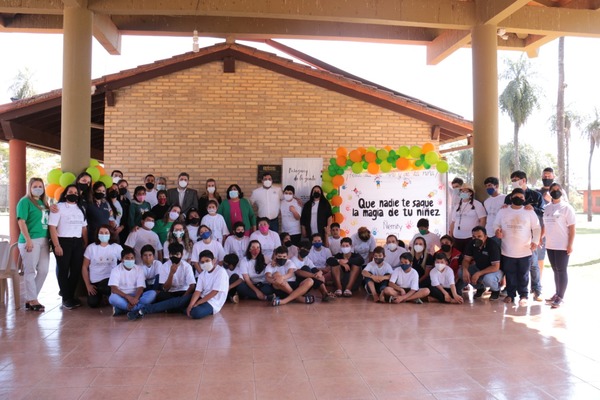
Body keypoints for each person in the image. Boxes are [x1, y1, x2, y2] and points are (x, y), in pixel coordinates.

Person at [495, 188, 541, 305]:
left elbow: (536, 228)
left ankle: (523, 296)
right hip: (507, 250)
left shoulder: (529, 211)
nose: (519, 199)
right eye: (516, 196)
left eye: (521, 197)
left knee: (523, 274)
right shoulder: (503, 211)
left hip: (525, 250)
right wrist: (497, 231)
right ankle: (510, 295)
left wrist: (535, 241)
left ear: (524, 199)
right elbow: (496, 224)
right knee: (510, 274)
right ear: (511, 197)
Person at [127, 242, 196, 320]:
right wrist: (171, 273)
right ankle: (176, 307)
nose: (174, 257)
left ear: (181, 255)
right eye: (172, 255)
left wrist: (182, 298)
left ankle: (144, 310)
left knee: (185, 299)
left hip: (184, 292)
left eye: (177, 254)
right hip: (170, 293)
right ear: (169, 255)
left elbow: (192, 286)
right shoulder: (165, 266)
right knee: (161, 296)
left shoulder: (187, 266)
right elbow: (165, 288)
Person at [505, 170, 544, 301]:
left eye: (517, 179)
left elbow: (542, 213)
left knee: (533, 264)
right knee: (512, 265)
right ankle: (511, 291)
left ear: (524, 180)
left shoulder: (536, 195)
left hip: (531, 236)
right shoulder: (508, 197)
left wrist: (533, 208)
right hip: (513, 237)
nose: (514, 181)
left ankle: (536, 289)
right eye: (512, 180)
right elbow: (506, 211)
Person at [48, 184, 88, 309]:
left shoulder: (81, 208)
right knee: (63, 270)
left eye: (76, 193)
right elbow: (52, 227)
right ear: (65, 194)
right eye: (71, 192)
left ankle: (70, 296)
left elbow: (84, 228)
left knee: (76, 270)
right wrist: (56, 245)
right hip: (63, 242)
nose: (73, 194)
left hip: (77, 242)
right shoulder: (58, 207)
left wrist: (85, 243)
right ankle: (66, 298)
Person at [17, 177, 50, 312]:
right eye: (35, 186)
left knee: (44, 270)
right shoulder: (25, 202)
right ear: (30, 188)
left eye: (40, 186)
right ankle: (33, 300)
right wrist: (28, 240)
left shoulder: (44, 202)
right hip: (30, 241)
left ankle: (31, 297)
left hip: (44, 240)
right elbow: (21, 222)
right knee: (30, 271)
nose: (38, 188)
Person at [543, 183, 576, 309]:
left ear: (562, 192)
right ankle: (557, 294)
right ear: (549, 191)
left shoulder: (566, 208)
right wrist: (540, 238)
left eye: (558, 190)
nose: (555, 191)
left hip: (562, 245)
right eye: (553, 190)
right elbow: (545, 226)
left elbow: (572, 228)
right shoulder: (546, 207)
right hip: (550, 244)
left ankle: (560, 297)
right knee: (555, 270)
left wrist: (570, 244)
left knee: (561, 270)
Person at [82, 225, 123, 308]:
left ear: (110, 234)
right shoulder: (91, 248)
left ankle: (109, 296)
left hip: (110, 281)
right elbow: (84, 267)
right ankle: (103, 297)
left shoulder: (117, 247)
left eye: (106, 233)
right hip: (95, 282)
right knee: (92, 303)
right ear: (97, 234)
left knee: (105, 287)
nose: (104, 235)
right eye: (101, 233)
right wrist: (88, 285)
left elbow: (124, 263)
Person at [108, 246, 157, 316]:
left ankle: (122, 309)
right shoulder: (116, 270)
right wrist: (128, 297)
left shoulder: (139, 269)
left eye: (132, 258)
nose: (130, 260)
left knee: (152, 293)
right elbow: (114, 289)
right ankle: (139, 309)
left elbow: (141, 287)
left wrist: (135, 299)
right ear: (122, 259)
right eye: (127, 258)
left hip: (136, 297)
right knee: (112, 298)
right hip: (122, 296)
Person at [459, 226, 503, 300]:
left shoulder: (492, 245)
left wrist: (478, 273)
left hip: (495, 270)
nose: (476, 239)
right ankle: (480, 288)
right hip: (479, 267)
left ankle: (496, 290)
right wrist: (465, 270)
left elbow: (495, 266)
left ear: (485, 236)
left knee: (488, 279)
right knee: (461, 272)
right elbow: (466, 260)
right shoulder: (471, 244)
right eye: (474, 237)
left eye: (479, 236)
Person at [186, 250, 229, 319]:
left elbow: (214, 292)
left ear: (214, 260)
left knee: (196, 312)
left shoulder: (221, 272)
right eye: (202, 262)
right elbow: (197, 291)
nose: (205, 263)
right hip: (202, 297)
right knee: (181, 301)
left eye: (207, 261)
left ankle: (183, 310)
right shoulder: (202, 274)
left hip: (213, 302)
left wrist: (197, 303)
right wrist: (191, 305)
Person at [449, 185, 487, 253]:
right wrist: (450, 236)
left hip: (470, 237)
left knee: (469, 257)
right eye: (461, 191)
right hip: (457, 237)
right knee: (458, 257)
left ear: (470, 193)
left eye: (465, 191)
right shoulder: (457, 206)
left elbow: (483, 220)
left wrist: (479, 235)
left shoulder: (477, 204)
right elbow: (453, 222)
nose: (463, 193)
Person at [483, 177, 506, 242]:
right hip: (488, 231)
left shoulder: (505, 198)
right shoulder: (486, 201)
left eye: (489, 185)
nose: (487, 188)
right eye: (486, 186)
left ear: (497, 186)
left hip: (500, 232)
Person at [117, 179, 131, 243]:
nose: (123, 188)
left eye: (125, 187)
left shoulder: (127, 201)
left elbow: (128, 215)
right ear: (117, 187)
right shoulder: (114, 200)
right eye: (121, 186)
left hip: (125, 228)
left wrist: (123, 226)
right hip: (116, 228)